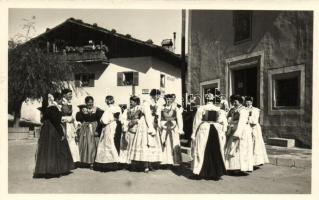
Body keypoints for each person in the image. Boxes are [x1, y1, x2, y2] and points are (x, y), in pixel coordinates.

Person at [34, 93, 74, 178]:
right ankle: (53, 169)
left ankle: (48, 169)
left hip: (47, 129)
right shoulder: (53, 108)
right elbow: (56, 122)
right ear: (57, 100)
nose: (62, 102)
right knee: (55, 148)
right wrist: (61, 133)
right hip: (52, 130)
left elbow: (43, 119)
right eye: (61, 100)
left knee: (48, 148)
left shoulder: (50, 108)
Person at [190, 93, 227, 180]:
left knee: (201, 149)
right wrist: (222, 131)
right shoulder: (218, 109)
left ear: (205, 100)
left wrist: (193, 133)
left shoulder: (201, 108)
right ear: (212, 100)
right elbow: (221, 121)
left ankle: (199, 172)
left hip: (204, 129)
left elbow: (196, 122)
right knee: (215, 149)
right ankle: (215, 172)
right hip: (215, 130)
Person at [224, 94, 254, 175]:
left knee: (240, 148)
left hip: (242, 130)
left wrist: (238, 133)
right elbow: (229, 118)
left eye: (235, 101)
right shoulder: (233, 109)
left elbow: (242, 122)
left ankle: (240, 167)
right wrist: (229, 123)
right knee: (232, 148)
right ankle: (232, 167)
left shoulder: (243, 110)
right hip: (234, 128)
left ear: (240, 101)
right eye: (232, 101)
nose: (234, 103)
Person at [95, 95, 122, 171]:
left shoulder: (109, 109)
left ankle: (109, 163)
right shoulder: (117, 108)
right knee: (111, 143)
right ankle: (112, 162)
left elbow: (104, 120)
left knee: (108, 143)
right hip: (113, 126)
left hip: (109, 127)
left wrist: (104, 121)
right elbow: (118, 118)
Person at [76, 96, 104, 169]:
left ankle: (94, 162)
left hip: (94, 128)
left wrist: (98, 130)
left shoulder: (97, 110)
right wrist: (81, 112)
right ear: (86, 103)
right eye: (88, 102)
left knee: (94, 145)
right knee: (86, 145)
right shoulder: (83, 110)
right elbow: (78, 118)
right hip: (86, 129)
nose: (90, 104)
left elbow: (100, 121)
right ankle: (86, 161)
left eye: (91, 102)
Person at [159, 94, 184, 167]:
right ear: (165, 99)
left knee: (174, 143)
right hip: (164, 127)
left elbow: (179, 118)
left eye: (170, 99)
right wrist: (161, 125)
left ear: (172, 100)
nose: (168, 100)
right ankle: (164, 161)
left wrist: (180, 129)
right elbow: (159, 117)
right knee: (165, 144)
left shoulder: (176, 108)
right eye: (167, 99)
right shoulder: (162, 107)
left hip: (173, 127)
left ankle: (174, 161)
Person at [245, 96, 269, 167]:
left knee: (255, 143)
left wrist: (247, 119)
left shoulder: (255, 110)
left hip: (254, 128)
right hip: (247, 127)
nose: (248, 103)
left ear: (252, 102)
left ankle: (257, 160)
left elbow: (254, 120)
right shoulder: (244, 109)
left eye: (249, 101)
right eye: (247, 101)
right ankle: (248, 160)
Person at [61, 89, 80, 164]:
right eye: (69, 94)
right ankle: (66, 160)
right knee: (67, 140)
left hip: (70, 125)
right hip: (64, 124)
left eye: (71, 94)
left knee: (72, 141)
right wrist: (67, 119)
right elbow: (60, 115)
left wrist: (75, 123)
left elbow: (72, 115)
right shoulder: (61, 103)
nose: (71, 96)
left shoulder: (69, 103)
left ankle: (73, 160)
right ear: (64, 95)